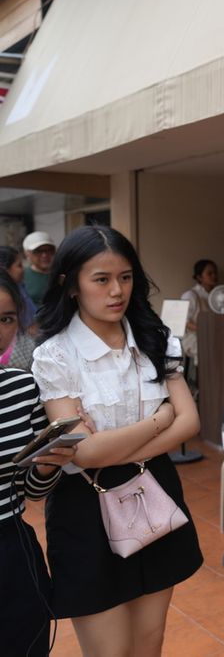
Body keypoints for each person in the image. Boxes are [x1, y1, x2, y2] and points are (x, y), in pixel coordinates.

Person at [31, 225, 203, 656]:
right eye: (101, 279)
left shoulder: (153, 337)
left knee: (149, 644)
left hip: (156, 494)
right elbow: (82, 454)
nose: (117, 291)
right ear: (71, 285)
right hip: (85, 509)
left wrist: (110, 444)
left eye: (125, 277)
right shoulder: (55, 355)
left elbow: (190, 424)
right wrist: (158, 421)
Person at [0, 270, 76, 657]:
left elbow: (29, 490)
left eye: (6, 319)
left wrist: (47, 465)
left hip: (12, 550)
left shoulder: (21, 387)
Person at [0, 246, 38, 369]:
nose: (23, 270)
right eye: (19, 265)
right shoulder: (16, 294)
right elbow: (32, 327)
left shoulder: (20, 289)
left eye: (6, 320)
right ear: (5, 268)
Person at [179, 259, 218, 370]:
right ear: (199, 277)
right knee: (212, 347)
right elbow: (184, 321)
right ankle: (204, 382)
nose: (214, 276)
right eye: (210, 273)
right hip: (194, 337)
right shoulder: (190, 295)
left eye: (215, 272)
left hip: (213, 335)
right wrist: (205, 330)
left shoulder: (218, 295)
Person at [21, 231, 55, 309]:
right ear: (27, 253)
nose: (44, 255)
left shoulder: (61, 274)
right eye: (38, 251)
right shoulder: (22, 276)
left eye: (49, 250)